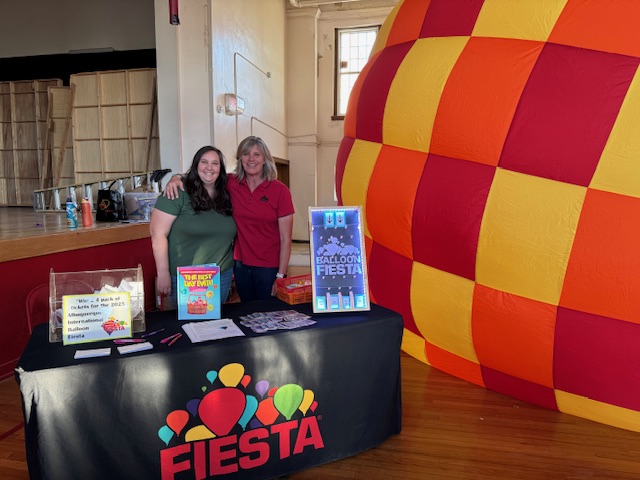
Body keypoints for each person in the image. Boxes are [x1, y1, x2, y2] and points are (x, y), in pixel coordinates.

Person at [164, 136, 294, 301]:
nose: (251, 159)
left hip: (269, 267)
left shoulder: (280, 191)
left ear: (265, 159)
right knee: (246, 314)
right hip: (240, 265)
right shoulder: (231, 183)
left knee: (269, 314)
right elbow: (204, 175)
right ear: (240, 159)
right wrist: (176, 177)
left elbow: (285, 239)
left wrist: (280, 275)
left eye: (257, 154)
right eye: (246, 154)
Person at [150, 146, 236, 307]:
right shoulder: (177, 192)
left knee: (214, 328)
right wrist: (163, 273)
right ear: (196, 165)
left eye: (215, 163)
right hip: (185, 277)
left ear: (221, 169)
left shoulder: (227, 194)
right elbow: (157, 234)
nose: (209, 168)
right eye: (204, 162)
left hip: (220, 275)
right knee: (186, 327)